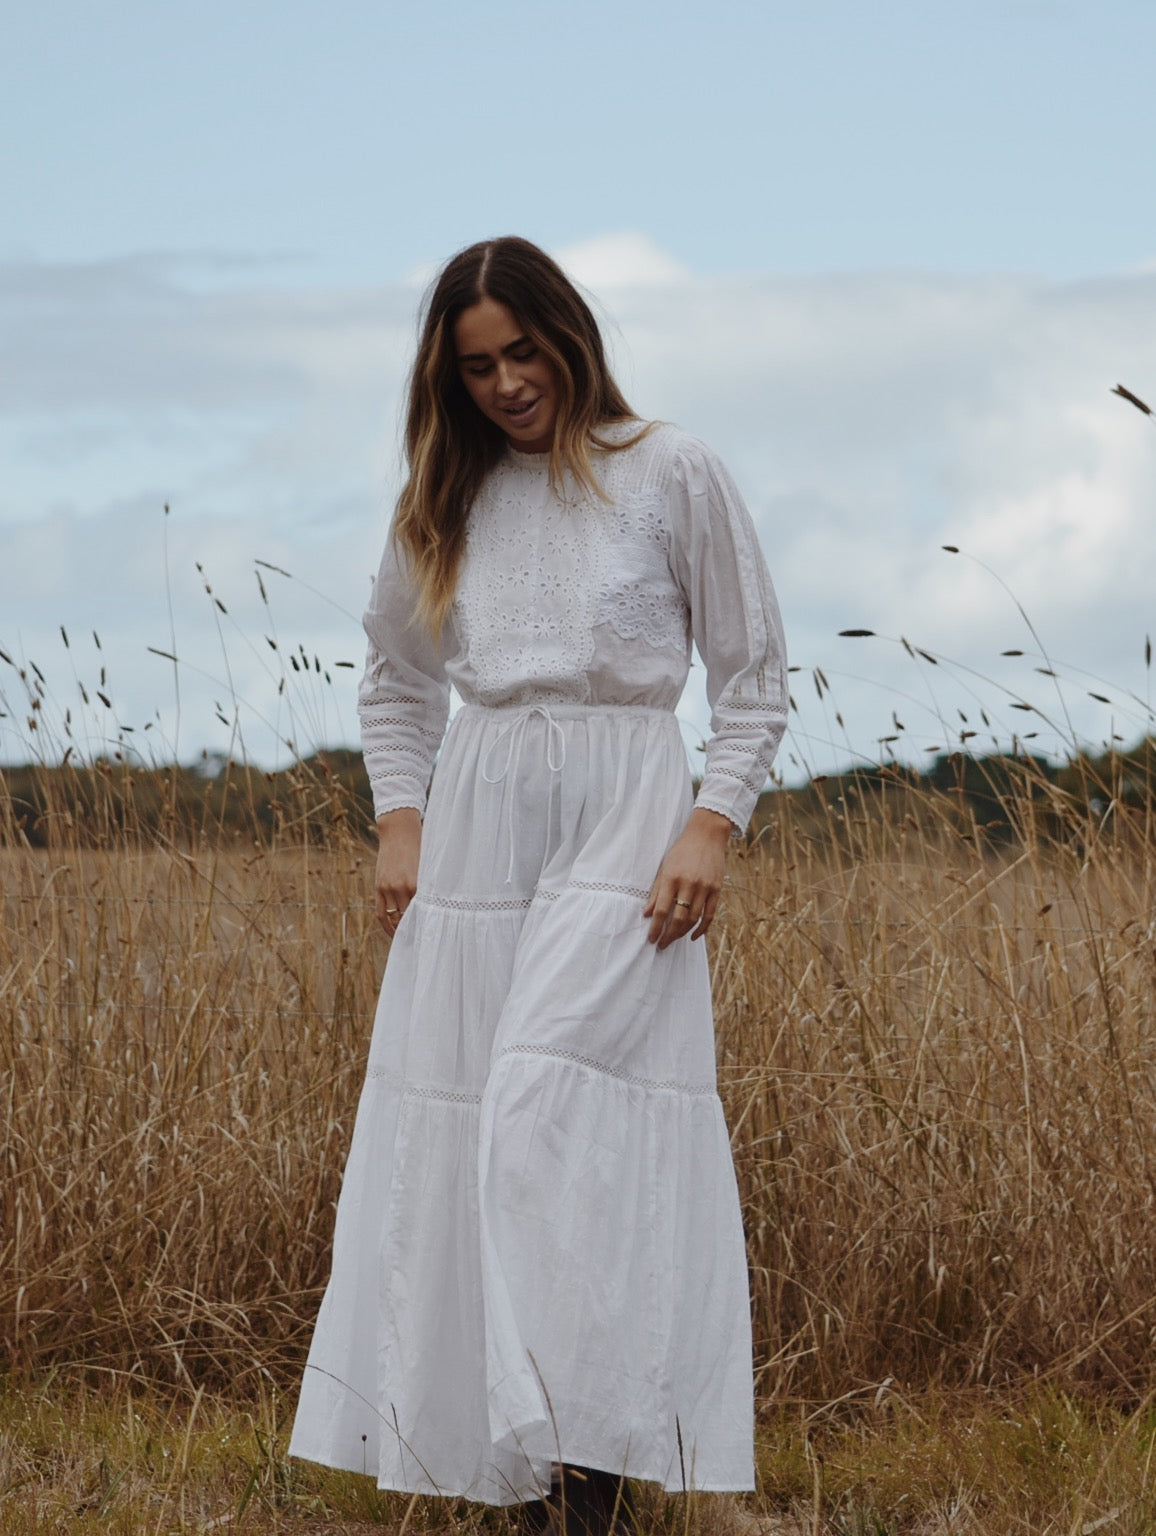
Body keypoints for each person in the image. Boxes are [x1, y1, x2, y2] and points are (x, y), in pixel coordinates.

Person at [289, 236, 788, 1533]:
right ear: (447, 380)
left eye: (523, 352)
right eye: (477, 365)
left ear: (570, 337)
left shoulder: (670, 470)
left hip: (629, 813)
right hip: (479, 823)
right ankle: (539, 1479)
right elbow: (397, 686)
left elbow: (754, 681)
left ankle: (594, 1468)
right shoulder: (442, 502)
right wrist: (401, 821)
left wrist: (709, 825)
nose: (507, 382)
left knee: (555, 1123)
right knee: (475, 1134)